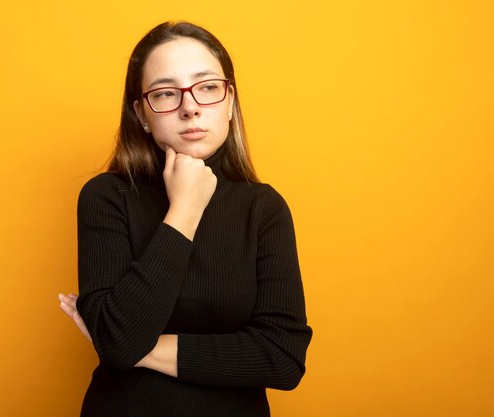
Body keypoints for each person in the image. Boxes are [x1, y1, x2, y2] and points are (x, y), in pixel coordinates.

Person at [59, 21, 312, 417]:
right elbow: (117, 341)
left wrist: (136, 349)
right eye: (165, 93)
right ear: (142, 114)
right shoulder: (106, 197)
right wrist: (184, 211)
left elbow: (282, 358)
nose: (190, 107)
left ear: (230, 102)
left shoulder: (264, 209)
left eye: (208, 87)